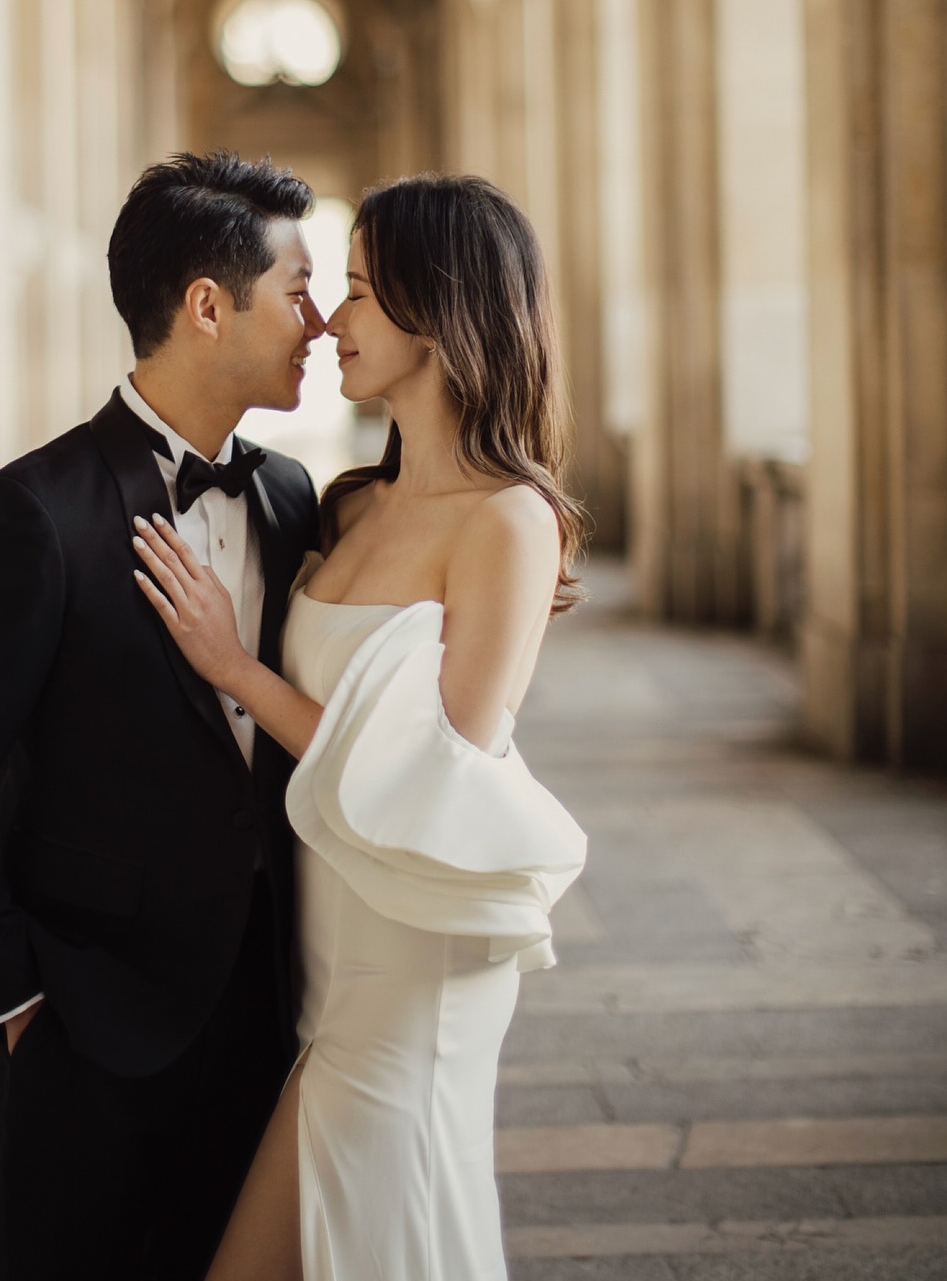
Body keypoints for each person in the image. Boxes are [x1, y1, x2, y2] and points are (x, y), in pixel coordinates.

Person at [0, 152, 327, 1281]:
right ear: (209, 307)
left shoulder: (288, 498)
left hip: (269, 1014)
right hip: (84, 1026)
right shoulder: (35, 513)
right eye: (297, 288)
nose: (318, 322)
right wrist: (13, 1000)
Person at [132, 173, 589, 1281]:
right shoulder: (341, 506)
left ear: (442, 311)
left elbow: (441, 764)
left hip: (413, 962)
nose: (331, 319)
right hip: (328, 952)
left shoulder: (509, 522)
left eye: (363, 293)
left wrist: (235, 667)